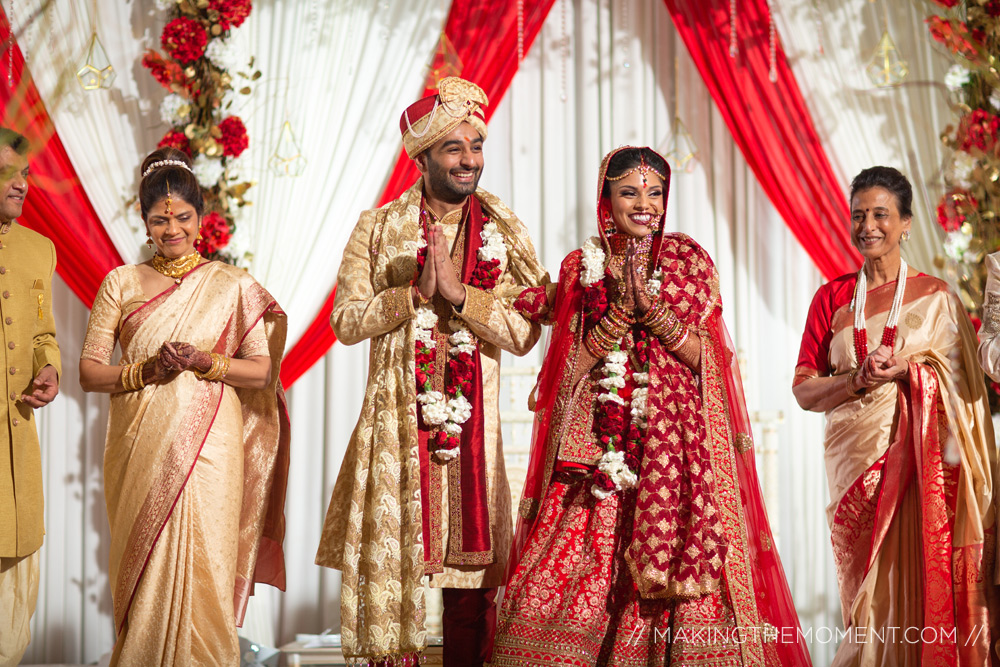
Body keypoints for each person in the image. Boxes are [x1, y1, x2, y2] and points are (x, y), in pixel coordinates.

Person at [490, 146, 811, 666]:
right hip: (596, 451)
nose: (645, 204)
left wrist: (654, 312)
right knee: (565, 574)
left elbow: (710, 358)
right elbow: (566, 373)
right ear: (605, 198)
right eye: (629, 192)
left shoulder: (689, 259)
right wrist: (616, 317)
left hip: (674, 452)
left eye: (655, 192)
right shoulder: (581, 267)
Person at [315, 76, 549, 666]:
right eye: (454, 147)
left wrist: (462, 294)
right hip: (400, 422)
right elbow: (344, 320)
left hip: (475, 429)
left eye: (476, 146)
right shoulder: (377, 227)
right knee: (397, 574)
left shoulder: (506, 231)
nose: (470, 160)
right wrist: (411, 299)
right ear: (422, 157)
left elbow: (526, 330)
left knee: (472, 593)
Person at [79, 147, 290, 666]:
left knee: (207, 559)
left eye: (182, 217)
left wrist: (204, 361)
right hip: (140, 443)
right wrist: (145, 371)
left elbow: (261, 372)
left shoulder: (232, 284)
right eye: (159, 219)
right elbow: (88, 373)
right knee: (143, 564)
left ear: (201, 215)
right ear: (144, 221)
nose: (171, 229)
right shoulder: (120, 284)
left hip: (213, 444)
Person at [794, 166, 1000, 665]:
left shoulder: (938, 297)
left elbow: (970, 387)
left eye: (881, 214)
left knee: (915, 584)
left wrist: (913, 367)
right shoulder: (832, 298)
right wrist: (857, 380)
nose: (868, 226)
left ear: (906, 223)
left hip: (922, 470)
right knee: (863, 601)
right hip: (853, 473)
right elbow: (803, 390)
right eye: (859, 215)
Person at [0, 127, 61, 667]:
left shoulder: (38, 249)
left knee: (13, 599)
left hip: (16, 446)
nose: (21, 185)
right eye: (7, 173)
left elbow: (44, 334)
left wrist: (50, 370)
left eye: (24, 175)